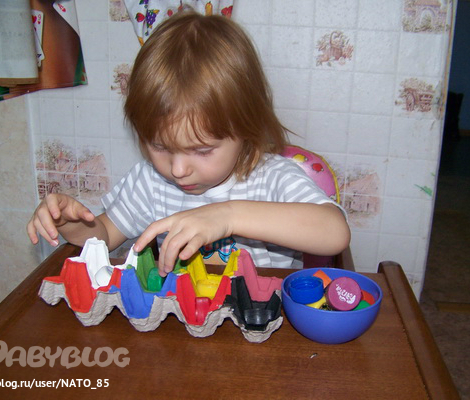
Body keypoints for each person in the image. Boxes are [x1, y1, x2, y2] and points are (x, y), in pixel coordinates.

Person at [27, 11, 350, 276]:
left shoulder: (271, 178)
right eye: (160, 147)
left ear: (246, 127)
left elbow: (334, 233)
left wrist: (228, 216)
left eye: (202, 150)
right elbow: (104, 237)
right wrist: (71, 225)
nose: (178, 170)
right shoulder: (151, 182)